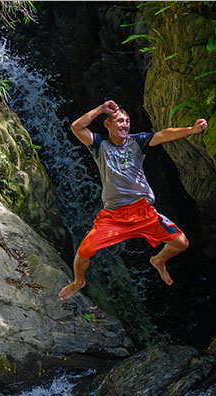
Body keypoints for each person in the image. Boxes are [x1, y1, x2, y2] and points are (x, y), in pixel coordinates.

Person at [59, 100, 207, 301]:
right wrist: (102, 109)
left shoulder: (137, 141)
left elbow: (163, 134)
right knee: (84, 251)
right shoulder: (99, 145)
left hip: (143, 211)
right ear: (107, 124)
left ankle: (158, 260)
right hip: (114, 216)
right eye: (120, 121)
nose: (125, 125)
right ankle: (78, 282)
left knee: (181, 243)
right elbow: (77, 127)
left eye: (127, 121)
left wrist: (191, 129)